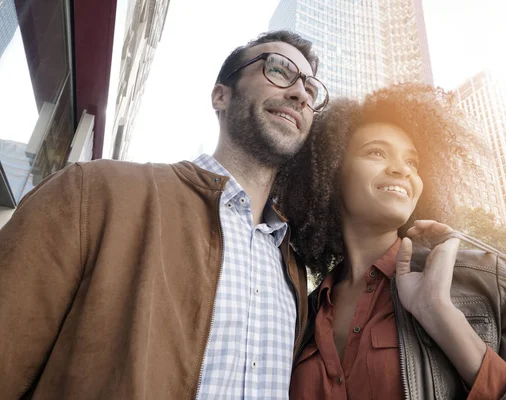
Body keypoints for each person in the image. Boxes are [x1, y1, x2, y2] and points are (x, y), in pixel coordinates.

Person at [0, 30, 329, 399]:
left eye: (311, 90)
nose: (301, 94)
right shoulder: (93, 193)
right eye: (280, 70)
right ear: (221, 95)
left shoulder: (294, 272)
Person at [274, 83, 506, 399]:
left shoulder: (484, 277)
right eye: (376, 152)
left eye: (412, 162)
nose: (401, 169)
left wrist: (442, 317)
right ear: (330, 172)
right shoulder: (304, 309)